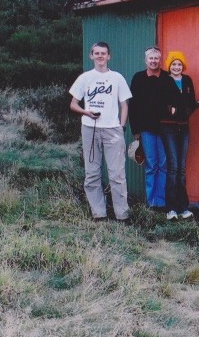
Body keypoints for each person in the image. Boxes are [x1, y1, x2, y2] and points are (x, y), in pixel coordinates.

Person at [69, 41, 132, 222]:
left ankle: (122, 215)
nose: (100, 56)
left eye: (103, 53)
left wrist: (121, 126)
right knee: (92, 173)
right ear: (91, 56)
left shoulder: (117, 78)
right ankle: (99, 213)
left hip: (112, 130)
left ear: (108, 56)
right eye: (96, 53)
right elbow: (73, 104)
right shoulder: (84, 78)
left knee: (117, 174)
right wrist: (86, 112)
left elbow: (124, 104)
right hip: (90, 129)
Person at [128, 47, 172, 209]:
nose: (153, 61)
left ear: (160, 60)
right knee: (151, 165)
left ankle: (161, 201)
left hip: (165, 129)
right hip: (146, 129)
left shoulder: (167, 78)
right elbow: (133, 105)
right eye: (150, 58)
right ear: (145, 60)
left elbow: (174, 100)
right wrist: (136, 131)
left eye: (156, 58)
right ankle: (151, 203)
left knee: (163, 165)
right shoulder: (138, 78)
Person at [160, 50, 198, 221]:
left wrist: (185, 110)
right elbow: (158, 103)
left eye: (179, 64)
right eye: (173, 64)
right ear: (169, 66)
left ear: (183, 66)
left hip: (183, 127)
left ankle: (183, 207)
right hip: (168, 128)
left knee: (181, 169)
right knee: (173, 167)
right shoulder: (164, 81)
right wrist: (170, 109)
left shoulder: (187, 80)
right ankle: (171, 208)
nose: (176, 67)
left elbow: (191, 102)